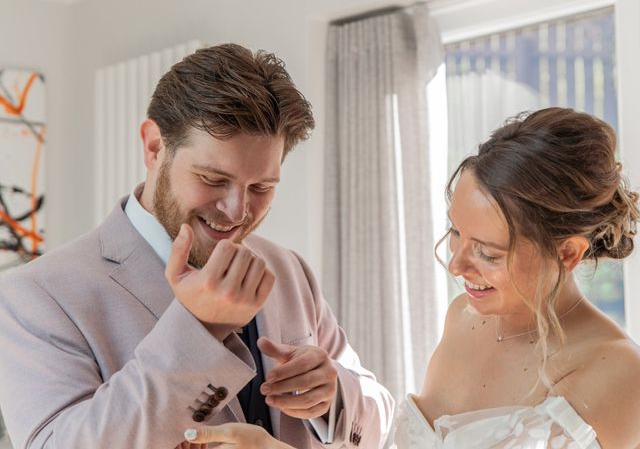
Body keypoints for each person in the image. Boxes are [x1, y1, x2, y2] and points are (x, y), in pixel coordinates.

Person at [0, 44, 394, 449]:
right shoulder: (35, 298)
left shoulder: (289, 270)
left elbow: (384, 419)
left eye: (261, 187)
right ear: (154, 147)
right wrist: (200, 330)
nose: (237, 211)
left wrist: (334, 396)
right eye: (212, 178)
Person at [389, 107, 640, 448]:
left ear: (567, 253)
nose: (456, 266)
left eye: (488, 253)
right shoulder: (462, 316)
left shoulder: (618, 371)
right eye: (456, 232)